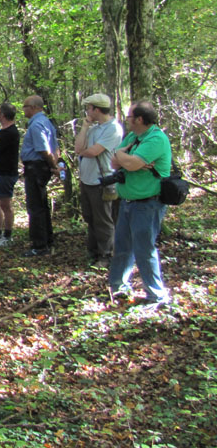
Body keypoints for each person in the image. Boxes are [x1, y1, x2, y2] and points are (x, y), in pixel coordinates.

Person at [108, 101, 172, 307]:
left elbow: (131, 164)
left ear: (140, 119)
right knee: (122, 247)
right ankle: (118, 287)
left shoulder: (155, 138)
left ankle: (156, 295)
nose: (127, 120)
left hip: (147, 203)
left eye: (129, 117)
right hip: (127, 202)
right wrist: (126, 157)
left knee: (144, 249)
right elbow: (115, 161)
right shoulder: (134, 136)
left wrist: (127, 158)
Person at [74, 94, 123, 266]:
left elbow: (94, 151)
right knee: (90, 217)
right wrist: (85, 127)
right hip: (87, 180)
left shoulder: (113, 129)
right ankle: (93, 251)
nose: (87, 111)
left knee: (103, 219)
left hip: (102, 181)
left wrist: (84, 150)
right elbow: (78, 148)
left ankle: (106, 255)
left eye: (89, 108)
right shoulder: (94, 128)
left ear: (96, 109)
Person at [20, 95, 59, 257]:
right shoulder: (46, 122)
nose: (24, 110)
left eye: (26, 106)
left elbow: (44, 149)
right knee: (41, 205)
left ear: (35, 107)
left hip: (36, 168)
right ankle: (47, 239)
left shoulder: (37, 124)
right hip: (38, 168)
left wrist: (53, 166)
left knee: (35, 207)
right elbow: (54, 147)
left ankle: (40, 245)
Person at [0, 103, 21, 247]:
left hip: (7, 173)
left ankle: (7, 235)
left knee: (5, 204)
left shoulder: (11, 132)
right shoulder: (2, 131)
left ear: (3, 115)